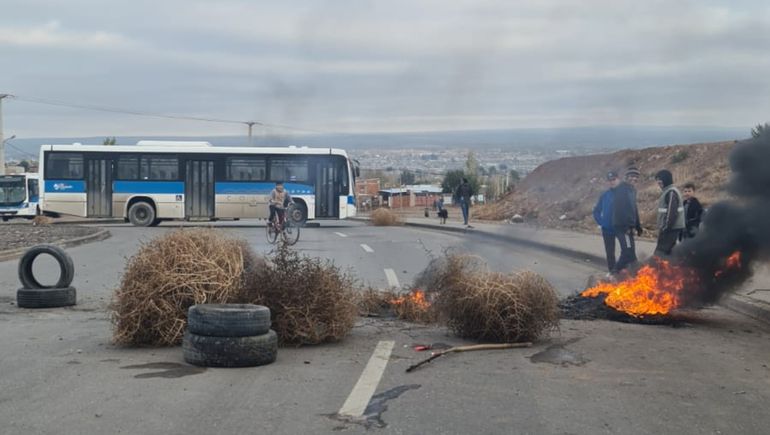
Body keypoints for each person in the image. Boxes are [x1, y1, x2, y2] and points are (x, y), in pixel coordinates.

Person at [611, 166, 643, 274]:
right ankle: (613, 274)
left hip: (629, 227)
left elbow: (634, 209)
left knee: (631, 254)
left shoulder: (632, 190)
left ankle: (636, 277)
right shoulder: (621, 189)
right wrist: (626, 227)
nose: (634, 179)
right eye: (631, 176)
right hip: (622, 227)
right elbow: (619, 209)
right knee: (626, 252)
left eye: (636, 177)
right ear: (626, 177)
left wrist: (638, 226)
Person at [654, 169, 685, 256]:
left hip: (670, 229)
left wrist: (666, 228)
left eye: (660, 183)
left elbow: (671, 213)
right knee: (670, 253)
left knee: (660, 252)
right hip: (671, 228)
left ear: (666, 181)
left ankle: (656, 268)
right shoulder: (668, 191)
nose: (659, 185)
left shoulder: (671, 192)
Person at [593, 171, 619, 274]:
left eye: (613, 180)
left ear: (618, 179)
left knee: (626, 251)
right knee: (610, 253)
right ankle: (612, 272)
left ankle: (627, 273)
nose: (612, 182)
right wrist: (601, 222)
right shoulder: (604, 195)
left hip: (621, 229)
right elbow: (596, 211)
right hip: (607, 229)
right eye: (610, 180)